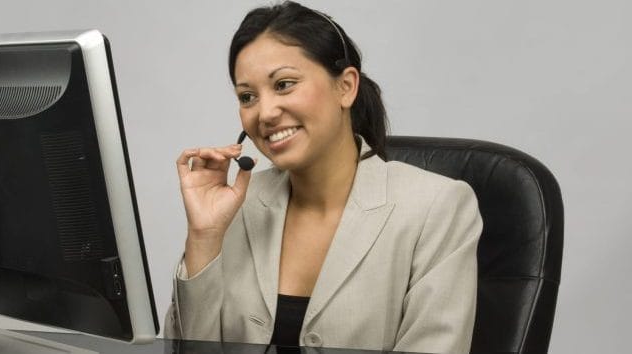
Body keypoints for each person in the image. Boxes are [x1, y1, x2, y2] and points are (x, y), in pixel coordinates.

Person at [164, 2, 483, 353]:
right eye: (247, 97)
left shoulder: (436, 208)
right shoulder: (237, 204)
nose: (265, 113)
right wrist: (204, 237)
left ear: (346, 87)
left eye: (284, 84)